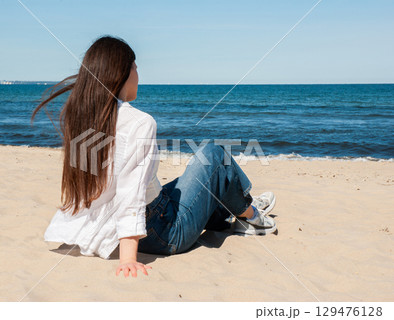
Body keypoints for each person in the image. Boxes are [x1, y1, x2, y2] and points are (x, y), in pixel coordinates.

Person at [32, 35, 277, 279]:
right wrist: (129, 259)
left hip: (123, 221)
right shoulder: (140, 122)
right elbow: (131, 193)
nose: (138, 75)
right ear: (121, 73)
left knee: (185, 181)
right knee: (213, 155)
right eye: (135, 67)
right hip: (162, 232)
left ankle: (238, 205)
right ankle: (250, 215)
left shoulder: (81, 119)